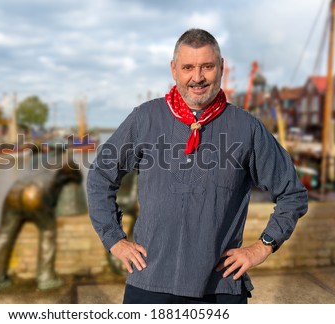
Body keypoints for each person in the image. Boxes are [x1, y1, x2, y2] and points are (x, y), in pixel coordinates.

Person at [87, 28, 308, 304]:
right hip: (149, 282)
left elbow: (293, 193)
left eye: (207, 66)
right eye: (188, 67)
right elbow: (100, 176)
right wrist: (114, 239)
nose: (198, 77)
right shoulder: (144, 118)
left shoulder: (247, 128)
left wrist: (262, 247)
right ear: (174, 69)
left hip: (219, 288)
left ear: (221, 68)